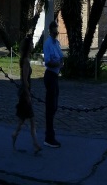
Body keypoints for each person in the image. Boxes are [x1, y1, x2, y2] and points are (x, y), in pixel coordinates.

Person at [11, 36, 42, 155]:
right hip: (25, 93)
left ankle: (15, 135)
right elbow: (25, 79)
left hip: (25, 92)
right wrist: (28, 94)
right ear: (28, 46)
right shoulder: (26, 61)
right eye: (31, 44)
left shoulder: (26, 59)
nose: (33, 46)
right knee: (32, 119)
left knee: (22, 119)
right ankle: (35, 144)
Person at [42, 20, 63, 148]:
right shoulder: (48, 43)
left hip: (55, 76)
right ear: (50, 31)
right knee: (50, 107)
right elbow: (48, 62)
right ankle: (49, 137)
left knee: (54, 106)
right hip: (50, 76)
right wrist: (58, 64)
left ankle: (50, 133)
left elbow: (60, 57)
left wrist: (61, 62)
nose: (56, 33)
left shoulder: (57, 43)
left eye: (57, 31)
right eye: (55, 31)